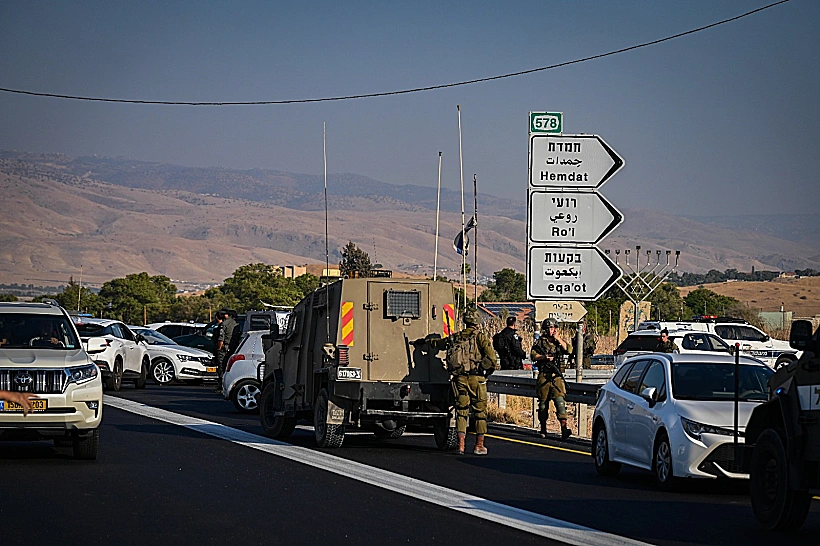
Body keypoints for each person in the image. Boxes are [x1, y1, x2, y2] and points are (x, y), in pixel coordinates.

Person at [414, 306, 497, 455]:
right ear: (477, 322)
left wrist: (426, 342)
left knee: (461, 411)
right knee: (480, 412)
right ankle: (479, 445)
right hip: (476, 380)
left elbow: (439, 344)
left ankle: (461, 445)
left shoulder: (456, 337)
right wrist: (483, 370)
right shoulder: (480, 337)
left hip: (459, 379)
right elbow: (492, 358)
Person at [531, 318, 573, 439]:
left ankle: (564, 429)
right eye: (549, 328)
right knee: (543, 404)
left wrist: (558, 339)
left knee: (560, 403)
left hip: (556, 377)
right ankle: (543, 428)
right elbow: (533, 355)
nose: (551, 330)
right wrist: (544, 357)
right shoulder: (540, 342)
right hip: (544, 375)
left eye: (554, 328)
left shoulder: (559, 342)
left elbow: (569, 350)